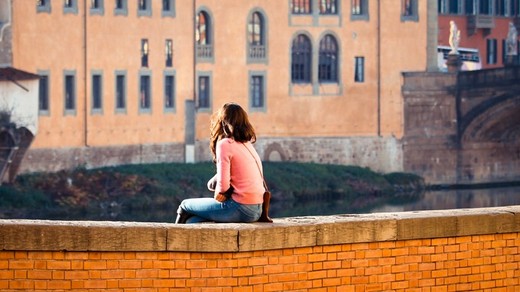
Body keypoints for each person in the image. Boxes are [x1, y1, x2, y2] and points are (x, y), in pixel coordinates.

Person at [175, 102, 267, 223]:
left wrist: (218, 196)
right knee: (193, 221)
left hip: (240, 208)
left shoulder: (225, 144)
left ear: (223, 122)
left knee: (185, 205)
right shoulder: (247, 144)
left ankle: (170, 240)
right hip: (257, 209)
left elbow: (223, 187)